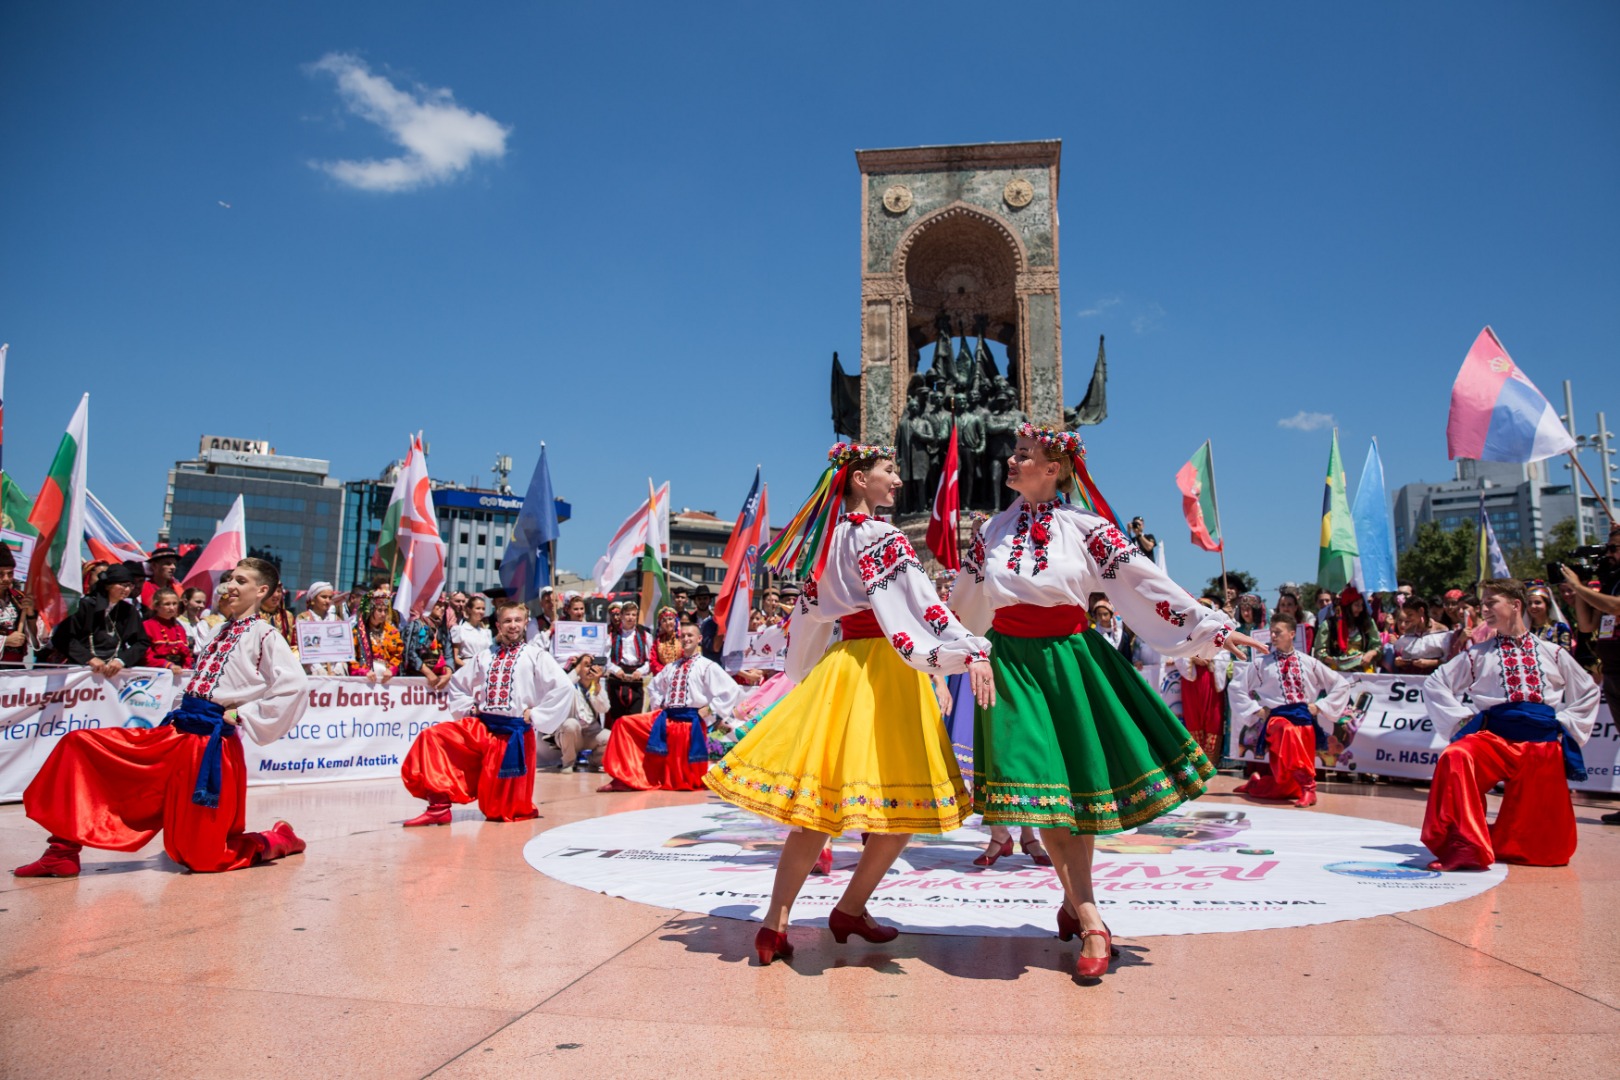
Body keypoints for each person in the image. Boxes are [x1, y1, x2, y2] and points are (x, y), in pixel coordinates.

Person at [950, 423, 1255, 978]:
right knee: (1039, 786)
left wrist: (1209, 626)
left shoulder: (1087, 529)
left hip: (1070, 659)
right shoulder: (988, 532)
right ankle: (1092, 919)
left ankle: (1074, 904)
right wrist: (957, 653)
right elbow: (964, 602)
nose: (1011, 463)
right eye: (1014, 455)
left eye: (1023, 455)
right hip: (1012, 662)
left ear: (1054, 469)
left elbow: (1142, 582)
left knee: (1074, 793)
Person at [705, 443, 995, 965]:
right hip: (886, 671)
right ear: (860, 479)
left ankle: (774, 923)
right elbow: (921, 607)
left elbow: (809, 620)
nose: (898, 481)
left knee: (818, 807)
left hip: (841, 666)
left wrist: (804, 675)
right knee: (908, 805)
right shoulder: (883, 537)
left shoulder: (825, 543)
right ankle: (851, 906)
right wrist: (969, 649)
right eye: (889, 471)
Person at [14, 558, 309, 877]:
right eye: (230, 580)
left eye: (241, 581)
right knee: (80, 745)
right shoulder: (219, 629)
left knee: (203, 857)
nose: (231, 586)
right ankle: (61, 851)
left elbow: (295, 685)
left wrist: (244, 713)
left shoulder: (265, 635)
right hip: (178, 733)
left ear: (261, 590)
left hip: (210, 747)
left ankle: (279, 839)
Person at [1420, 578, 1599, 871]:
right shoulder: (1477, 653)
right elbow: (1436, 683)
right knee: (1457, 756)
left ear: (1515, 605)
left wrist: (1562, 724)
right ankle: (1464, 844)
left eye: (1491, 602)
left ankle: (1504, 841)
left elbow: (1589, 691)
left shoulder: (1552, 652)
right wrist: (1463, 719)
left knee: (1545, 851)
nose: (1484, 609)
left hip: (1539, 744)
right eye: (1483, 603)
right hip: (1494, 737)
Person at [398, 598, 574, 826]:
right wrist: (470, 708)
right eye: (507, 621)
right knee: (434, 737)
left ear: (525, 623)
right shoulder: (485, 655)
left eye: (518, 620)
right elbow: (459, 684)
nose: (513, 625)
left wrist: (538, 714)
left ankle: (504, 799)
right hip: (482, 727)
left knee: (500, 812)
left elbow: (564, 687)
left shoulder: (536, 655)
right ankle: (438, 806)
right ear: (498, 626)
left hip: (514, 735)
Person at [601, 622, 747, 791]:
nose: (686, 639)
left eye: (690, 635)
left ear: (699, 639)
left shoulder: (707, 666)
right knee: (623, 724)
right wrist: (661, 703)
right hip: (666, 719)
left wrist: (710, 710)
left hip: (690, 723)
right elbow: (654, 686)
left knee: (682, 779)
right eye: (682, 636)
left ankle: (652, 777)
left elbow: (730, 690)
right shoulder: (672, 666)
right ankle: (624, 777)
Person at [1231, 615, 1350, 807]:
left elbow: (1341, 684)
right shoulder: (1262, 664)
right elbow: (1236, 686)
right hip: (1278, 720)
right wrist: (1257, 710)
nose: (1273, 635)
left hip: (1304, 721)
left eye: (1278, 632)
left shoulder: (1309, 662)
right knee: (1286, 731)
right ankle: (1310, 787)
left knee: (1285, 788)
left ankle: (1257, 784)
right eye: (1272, 632)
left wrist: (1319, 706)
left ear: (1292, 634)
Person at [50, 562, 149, 673]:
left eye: (130, 586)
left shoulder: (129, 611)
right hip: (82, 670)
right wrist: (89, 658)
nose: (127, 590)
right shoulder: (84, 606)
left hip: (114, 671)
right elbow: (62, 638)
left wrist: (121, 660)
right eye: (123, 585)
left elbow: (142, 642)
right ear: (108, 586)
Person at [538, 654, 609, 772]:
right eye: (586, 665)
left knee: (610, 737)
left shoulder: (595, 687)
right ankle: (568, 763)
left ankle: (594, 761)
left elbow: (604, 708)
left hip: (591, 733)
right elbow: (563, 685)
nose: (590, 669)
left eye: (592, 666)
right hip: (572, 733)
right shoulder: (569, 686)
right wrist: (578, 667)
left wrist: (597, 684)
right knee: (570, 724)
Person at [604, 599, 653, 724]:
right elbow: (605, 658)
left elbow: (650, 659)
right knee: (617, 717)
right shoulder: (612, 636)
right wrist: (615, 670)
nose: (630, 618)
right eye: (627, 614)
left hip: (636, 680)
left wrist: (641, 671)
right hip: (617, 680)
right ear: (621, 616)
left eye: (633, 614)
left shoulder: (645, 636)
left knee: (634, 718)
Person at [1314, 586, 1380, 673]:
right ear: (1347, 606)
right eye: (1357, 605)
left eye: (1362, 605)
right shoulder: (1330, 625)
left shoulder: (1367, 623)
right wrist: (1335, 661)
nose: (1360, 609)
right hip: (1336, 672)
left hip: (1363, 670)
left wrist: (1370, 654)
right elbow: (1319, 652)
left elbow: (1377, 645)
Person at [0, 545, 43, 665]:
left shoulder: (19, 598)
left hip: (15, 669)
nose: (6, 579)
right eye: (1, 574)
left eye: (10, 574)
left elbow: (36, 638)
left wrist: (30, 614)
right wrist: (5, 641)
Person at [402, 595, 454, 690]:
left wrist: (448, 674)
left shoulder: (443, 629)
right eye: (438, 604)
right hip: (416, 678)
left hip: (439, 679)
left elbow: (449, 655)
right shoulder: (416, 625)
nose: (442, 608)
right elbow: (409, 651)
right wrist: (428, 673)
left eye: (444, 606)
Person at [349, 588, 402, 682]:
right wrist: (363, 671)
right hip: (365, 679)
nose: (383, 614)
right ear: (370, 610)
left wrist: (391, 670)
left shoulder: (392, 632)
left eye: (385, 610)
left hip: (387, 679)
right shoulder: (358, 632)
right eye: (379, 610)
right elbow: (351, 659)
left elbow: (397, 656)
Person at [296, 581, 346, 676]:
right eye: (323, 597)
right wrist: (319, 669)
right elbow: (305, 649)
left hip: (335, 671)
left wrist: (337, 668)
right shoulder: (303, 618)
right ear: (313, 599)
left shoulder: (337, 620)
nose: (327, 601)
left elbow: (342, 648)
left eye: (330, 598)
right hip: (312, 670)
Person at [142, 587, 194, 675]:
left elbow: (187, 656)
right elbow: (146, 657)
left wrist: (186, 669)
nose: (172, 607)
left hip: (178, 673)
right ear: (156, 606)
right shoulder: (147, 626)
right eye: (167, 604)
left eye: (174, 604)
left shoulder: (180, 628)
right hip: (157, 673)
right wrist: (168, 665)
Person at [1391, 600, 1449, 676]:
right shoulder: (1407, 633)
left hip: (1434, 676)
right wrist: (1399, 662)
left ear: (1421, 611)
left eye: (1410, 614)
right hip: (1410, 679)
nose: (1407, 618)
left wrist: (1431, 663)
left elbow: (1450, 659)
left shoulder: (1441, 632)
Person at [451, 594, 492, 669]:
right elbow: (455, 657)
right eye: (478, 608)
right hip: (466, 667)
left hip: (484, 667)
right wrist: (470, 668)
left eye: (483, 609)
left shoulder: (486, 632)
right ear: (469, 609)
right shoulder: (459, 630)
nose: (481, 611)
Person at [259, 583, 297, 650]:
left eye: (279, 591)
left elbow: (293, 644)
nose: (276, 595)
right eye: (272, 591)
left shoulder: (287, 616)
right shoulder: (253, 614)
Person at [650, 606, 683, 675]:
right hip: (663, 676)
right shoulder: (658, 641)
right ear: (661, 624)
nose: (668, 623)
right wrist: (665, 671)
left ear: (675, 620)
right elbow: (653, 661)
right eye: (664, 621)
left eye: (670, 619)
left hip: (680, 674)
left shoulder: (683, 638)